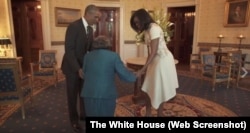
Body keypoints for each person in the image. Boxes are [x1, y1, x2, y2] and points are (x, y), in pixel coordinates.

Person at [130, 8, 179, 113]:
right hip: (155, 59)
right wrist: (146, 68)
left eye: (138, 22)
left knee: (159, 88)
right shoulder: (147, 30)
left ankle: (159, 114)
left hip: (163, 60)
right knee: (148, 86)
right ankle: (148, 113)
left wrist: (142, 70)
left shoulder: (154, 28)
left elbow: (154, 51)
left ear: (144, 19)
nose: (137, 25)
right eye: (135, 23)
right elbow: (150, 53)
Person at [61, 4, 100, 133]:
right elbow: (69, 51)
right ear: (88, 14)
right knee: (72, 96)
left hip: (84, 68)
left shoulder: (90, 29)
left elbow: (88, 49)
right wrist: (77, 68)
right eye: (96, 17)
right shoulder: (74, 27)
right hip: (72, 68)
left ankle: (84, 115)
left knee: (84, 93)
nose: (97, 20)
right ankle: (74, 120)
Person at [80, 35, 138, 116]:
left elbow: (84, 74)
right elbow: (124, 75)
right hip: (106, 94)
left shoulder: (87, 56)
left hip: (89, 93)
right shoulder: (113, 56)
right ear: (108, 44)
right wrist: (135, 76)